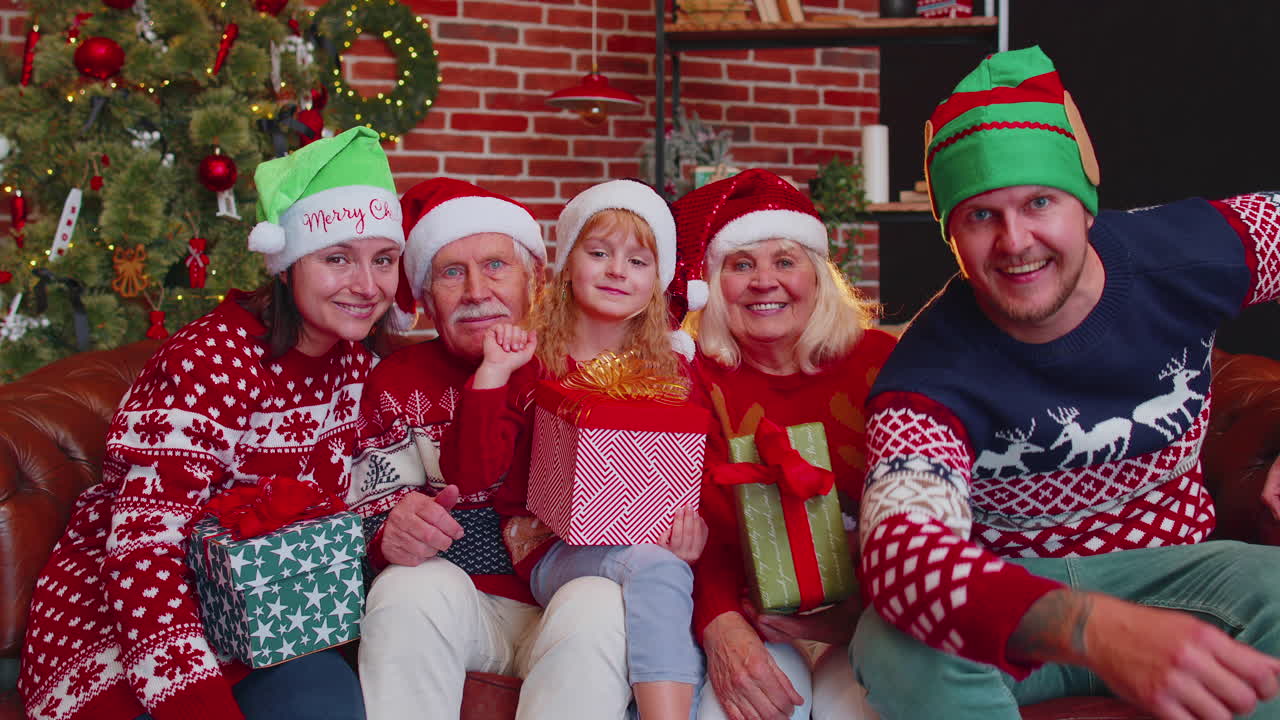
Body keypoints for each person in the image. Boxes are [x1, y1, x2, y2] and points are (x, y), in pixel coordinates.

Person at [852, 45, 1280, 720]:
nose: (1015, 241)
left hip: (1182, 573)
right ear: (951, 236)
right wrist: (1092, 629)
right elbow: (900, 552)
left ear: (1084, 205)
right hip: (1023, 604)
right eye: (980, 215)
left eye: (1039, 202)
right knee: (893, 643)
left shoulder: (1191, 251)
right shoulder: (927, 376)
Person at [19, 126, 404, 720]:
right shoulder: (211, 358)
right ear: (285, 263)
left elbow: (340, 511)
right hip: (124, 624)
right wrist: (195, 702)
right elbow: (143, 549)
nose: (367, 285)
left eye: (383, 260)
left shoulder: (358, 363)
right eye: (337, 258)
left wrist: (389, 533)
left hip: (264, 625)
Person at [353, 178, 632, 720]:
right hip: (461, 601)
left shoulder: (584, 364)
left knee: (603, 602)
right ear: (428, 300)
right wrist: (388, 533)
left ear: (537, 279)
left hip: (562, 599)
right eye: (451, 273)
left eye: (496, 266)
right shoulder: (395, 380)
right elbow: (367, 518)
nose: (476, 290)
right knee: (407, 589)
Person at [442, 179, 708, 720]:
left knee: (665, 573)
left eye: (637, 261)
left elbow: (692, 476)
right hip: (548, 548)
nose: (617, 270)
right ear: (566, 265)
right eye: (599, 253)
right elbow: (469, 474)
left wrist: (692, 529)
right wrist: (494, 373)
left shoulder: (675, 373)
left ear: (656, 283)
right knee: (657, 572)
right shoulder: (533, 362)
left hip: (647, 547)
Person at [668, 168, 894, 720]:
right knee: (746, 710)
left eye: (785, 261)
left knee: (857, 709)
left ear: (817, 277)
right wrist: (720, 624)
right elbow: (692, 525)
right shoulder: (693, 377)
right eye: (741, 265)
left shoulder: (880, 363)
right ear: (713, 285)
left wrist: (860, 613)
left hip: (874, 613)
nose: (764, 281)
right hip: (753, 615)